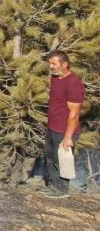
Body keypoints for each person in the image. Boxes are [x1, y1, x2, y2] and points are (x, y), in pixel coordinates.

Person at [42, 50, 85, 198]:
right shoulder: (55, 78)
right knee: (50, 157)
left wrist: (68, 137)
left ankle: (61, 190)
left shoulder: (74, 83)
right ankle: (54, 186)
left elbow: (74, 114)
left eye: (54, 64)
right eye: (50, 64)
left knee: (61, 160)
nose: (51, 67)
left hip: (65, 130)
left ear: (64, 64)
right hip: (52, 127)